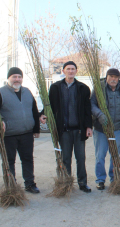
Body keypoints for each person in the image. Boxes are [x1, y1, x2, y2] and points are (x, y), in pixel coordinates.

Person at [39, 61, 93, 193]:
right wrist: (42, 115)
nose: (70, 71)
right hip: (64, 130)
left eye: (73, 69)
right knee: (65, 158)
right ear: (63, 71)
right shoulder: (56, 87)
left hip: (79, 129)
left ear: (76, 71)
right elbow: (49, 105)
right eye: (68, 69)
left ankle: (82, 183)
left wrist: (88, 127)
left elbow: (87, 110)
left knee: (80, 158)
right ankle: (66, 183)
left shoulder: (83, 88)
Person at [0, 67, 40, 193]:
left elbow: (34, 110)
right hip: (8, 135)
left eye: (19, 77)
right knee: (9, 161)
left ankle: (30, 184)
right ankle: (11, 186)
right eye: (14, 76)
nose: (17, 79)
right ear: (8, 78)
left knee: (28, 159)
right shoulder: (0, 92)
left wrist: (36, 129)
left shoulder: (27, 92)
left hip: (26, 133)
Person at [91, 68, 120, 190]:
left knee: (115, 155)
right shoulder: (99, 88)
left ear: (118, 78)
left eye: (115, 77)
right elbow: (91, 104)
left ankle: (114, 178)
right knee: (100, 155)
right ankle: (100, 180)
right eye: (111, 76)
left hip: (117, 127)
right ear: (107, 77)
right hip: (101, 128)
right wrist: (99, 115)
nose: (113, 79)